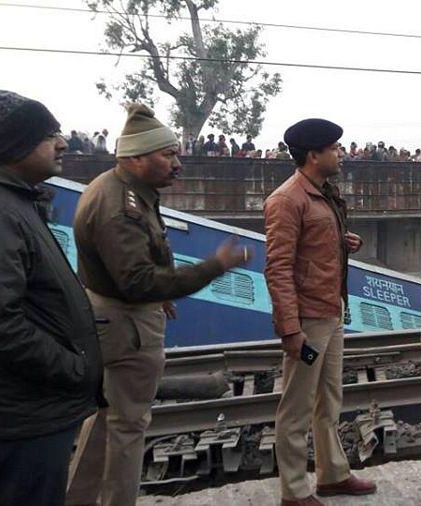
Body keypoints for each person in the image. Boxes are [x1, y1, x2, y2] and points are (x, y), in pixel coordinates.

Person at [66, 103, 250, 506]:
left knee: (102, 423)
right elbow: (137, 281)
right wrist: (214, 266)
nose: (177, 163)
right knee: (129, 427)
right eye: (167, 155)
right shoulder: (121, 207)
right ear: (135, 158)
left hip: (110, 316)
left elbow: (141, 261)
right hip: (126, 325)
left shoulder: (121, 189)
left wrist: (161, 292)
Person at [0, 90, 103, 506]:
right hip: (22, 416)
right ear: (13, 143)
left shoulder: (10, 199)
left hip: (23, 408)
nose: (63, 142)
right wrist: (73, 368)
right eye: (49, 134)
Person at [264, 118, 373, 506]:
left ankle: (332, 475)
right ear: (314, 155)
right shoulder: (287, 200)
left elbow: (315, 245)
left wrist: (345, 243)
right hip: (308, 321)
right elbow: (278, 268)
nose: (340, 154)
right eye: (334, 149)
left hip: (330, 311)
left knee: (329, 399)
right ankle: (294, 491)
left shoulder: (322, 194)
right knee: (296, 406)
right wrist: (290, 329)